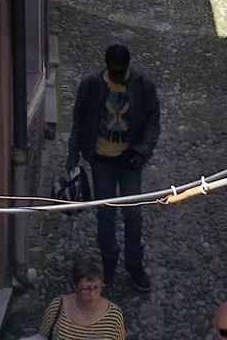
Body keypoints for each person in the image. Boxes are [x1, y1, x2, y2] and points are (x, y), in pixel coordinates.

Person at [65, 43, 159, 290]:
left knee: (133, 214)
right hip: (101, 161)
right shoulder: (90, 86)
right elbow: (79, 120)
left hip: (129, 159)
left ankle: (134, 263)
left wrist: (143, 151)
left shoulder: (143, 86)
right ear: (106, 66)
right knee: (105, 214)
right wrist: (73, 154)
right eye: (113, 71)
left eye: (121, 72)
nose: (117, 76)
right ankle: (109, 261)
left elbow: (153, 120)